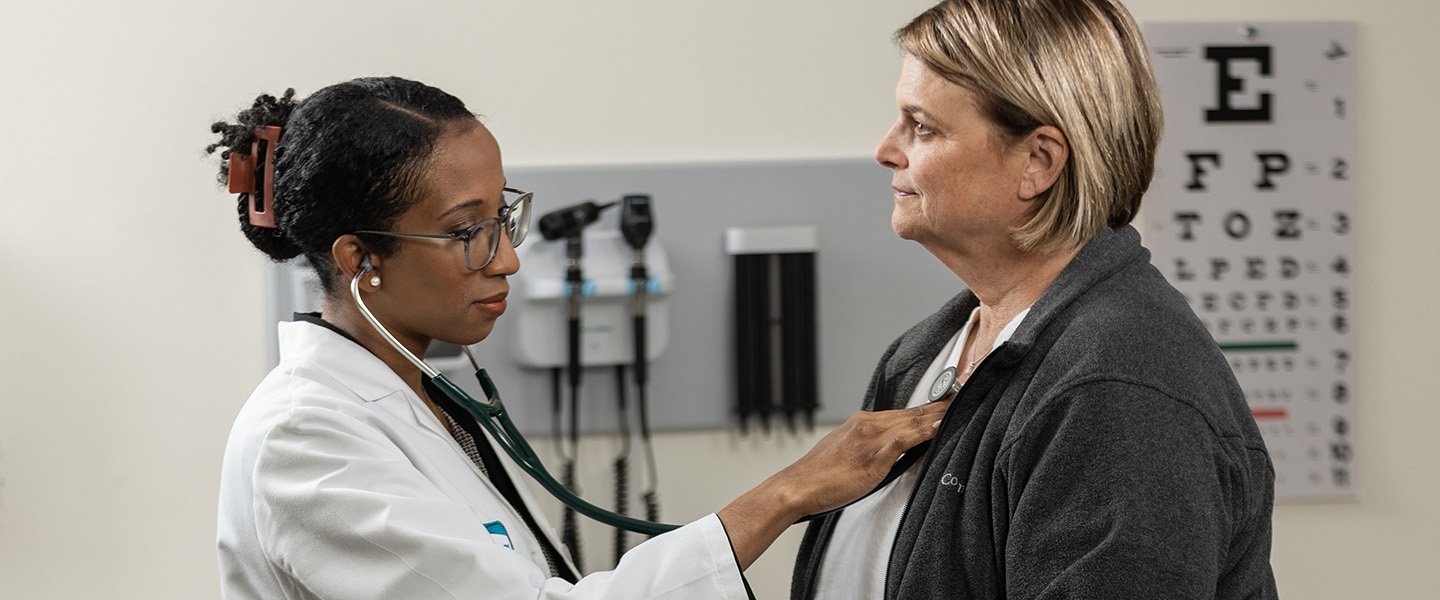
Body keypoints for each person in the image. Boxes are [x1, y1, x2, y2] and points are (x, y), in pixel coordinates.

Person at [210, 77, 951, 600]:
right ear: (359, 258)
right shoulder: (306, 439)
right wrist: (789, 492)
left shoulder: (415, 399)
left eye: (503, 217)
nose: (506, 257)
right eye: (467, 232)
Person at [790, 1, 1279, 598]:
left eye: (922, 126)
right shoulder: (921, 356)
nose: (886, 149)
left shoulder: (1117, 390)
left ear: (1038, 162)